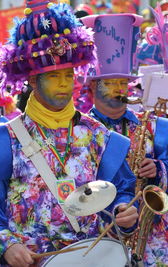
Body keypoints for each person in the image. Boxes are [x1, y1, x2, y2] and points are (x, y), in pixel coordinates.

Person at [0, 1, 138, 266]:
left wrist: (125, 211)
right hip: (31, 261)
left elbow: (123, 188)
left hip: (92, 257)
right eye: (54, 76)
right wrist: (6, 243)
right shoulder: (7, 139)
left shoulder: (97, 135)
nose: (64, 84)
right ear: (33, 81)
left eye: (69, 75)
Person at [82, 13, 168, 266]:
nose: (121, 89)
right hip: (102, 235)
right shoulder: (82, 130)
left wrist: (159, 168)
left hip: (153, 237)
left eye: (123, 83)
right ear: (91, 89)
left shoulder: (153, 124)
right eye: (111, 83)